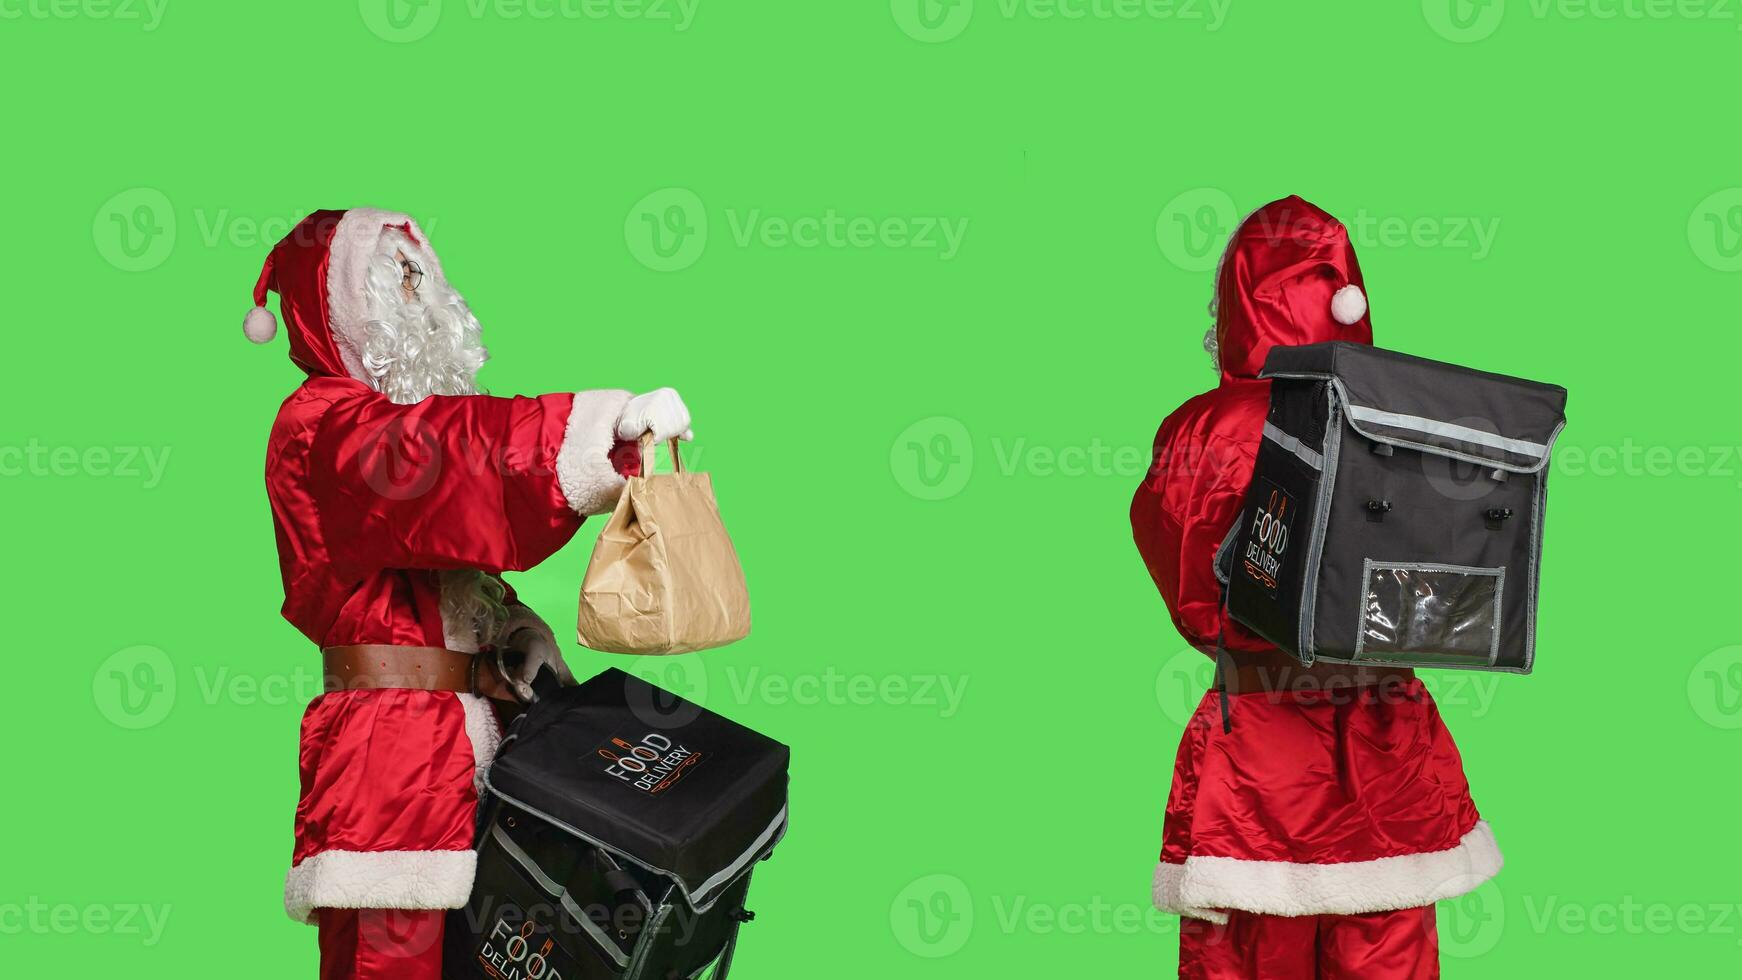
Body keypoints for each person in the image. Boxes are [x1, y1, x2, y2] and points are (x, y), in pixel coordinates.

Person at [242, 208, 694, 979]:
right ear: (335, 310)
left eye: (421, 275)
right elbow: (448, 460)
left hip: (473, 745)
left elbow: (448, 571)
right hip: (393, 764)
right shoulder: (324, 429)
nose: (417, 297)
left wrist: (517, 641)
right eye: (394, 279)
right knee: (394, 963)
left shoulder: (377, 424)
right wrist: (598, 432)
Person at [1130, 196, 1502, 979]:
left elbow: (1185, 581)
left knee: (1245, 961)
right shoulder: (1405, 418)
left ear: (1236, 297)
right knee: (1391, 954)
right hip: (1391, 747)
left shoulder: (1203, 429)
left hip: (1259, 757)